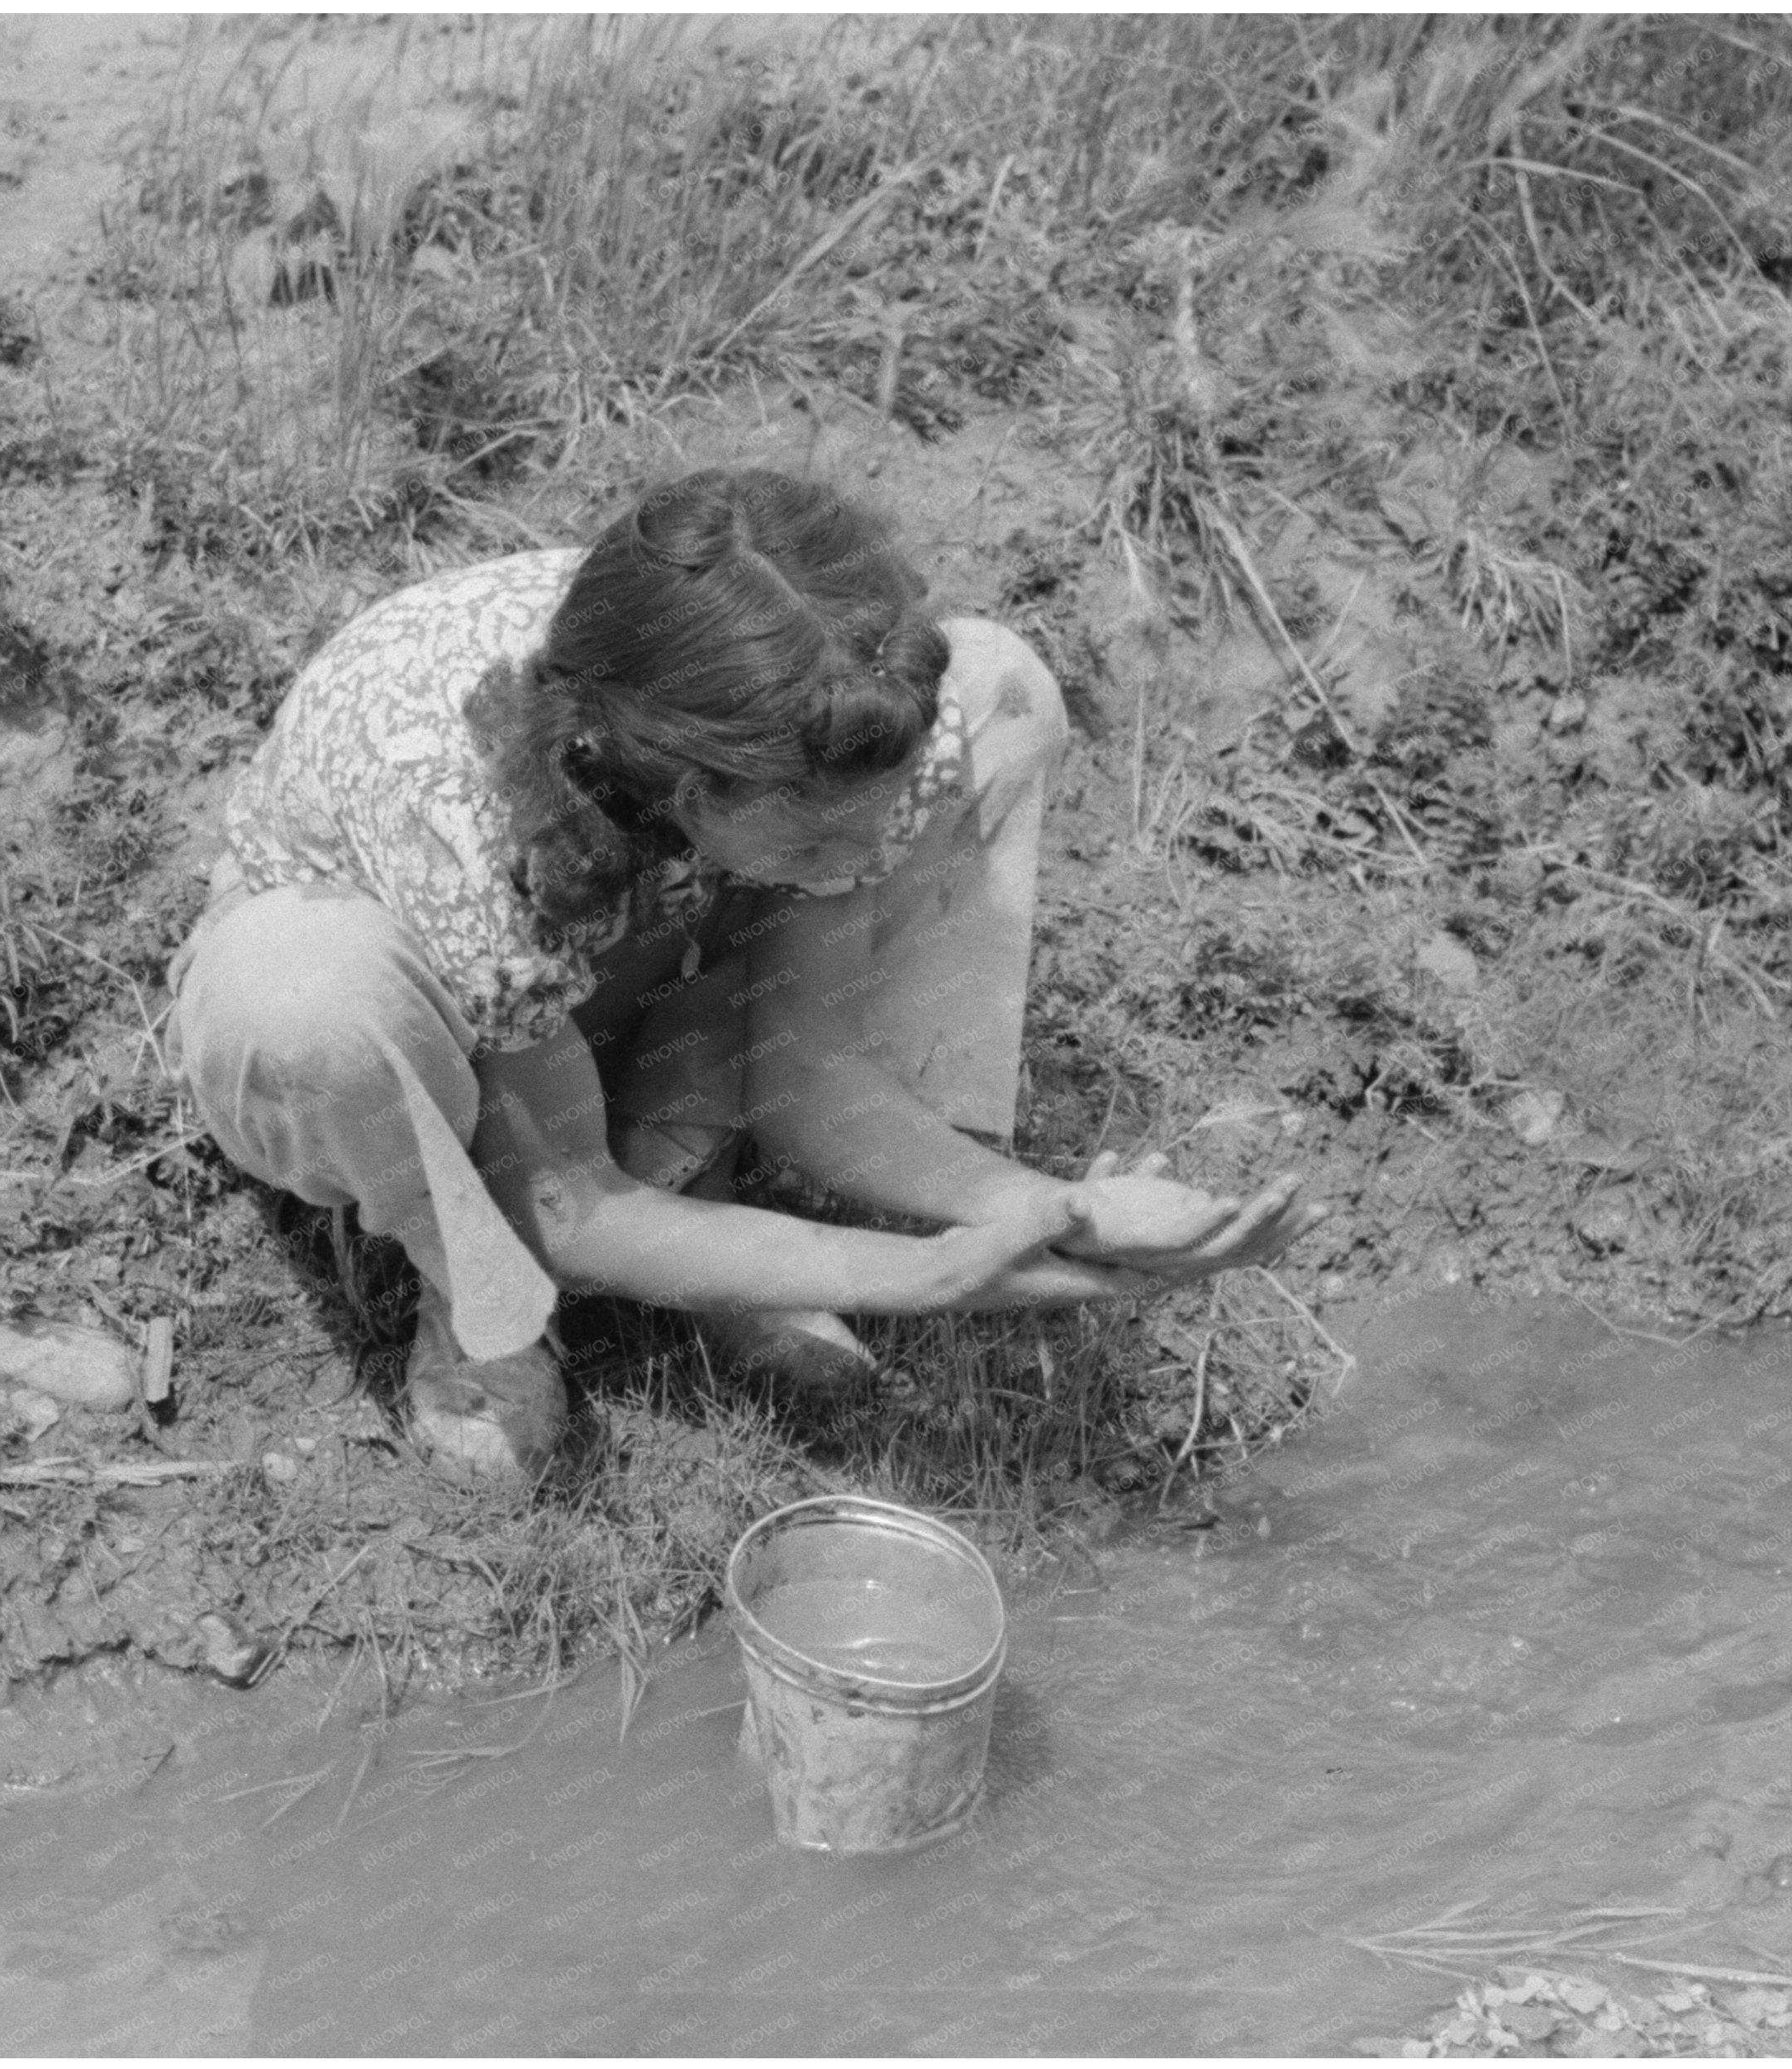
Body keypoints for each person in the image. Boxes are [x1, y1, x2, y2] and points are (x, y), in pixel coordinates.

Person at [167, 466, 1322, 1483]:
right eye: (819, 839)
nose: (864, 861)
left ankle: (694, 1163)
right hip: (420, 1025)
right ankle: (473, 1271)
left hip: (602, 951)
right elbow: (571, 1200)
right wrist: (925, 1275)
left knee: (999, 686)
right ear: (689, 790)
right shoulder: (458, 806)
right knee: (310, 996)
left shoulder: (825, 717)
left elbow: (810, 1062)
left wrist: (1048, 1212)